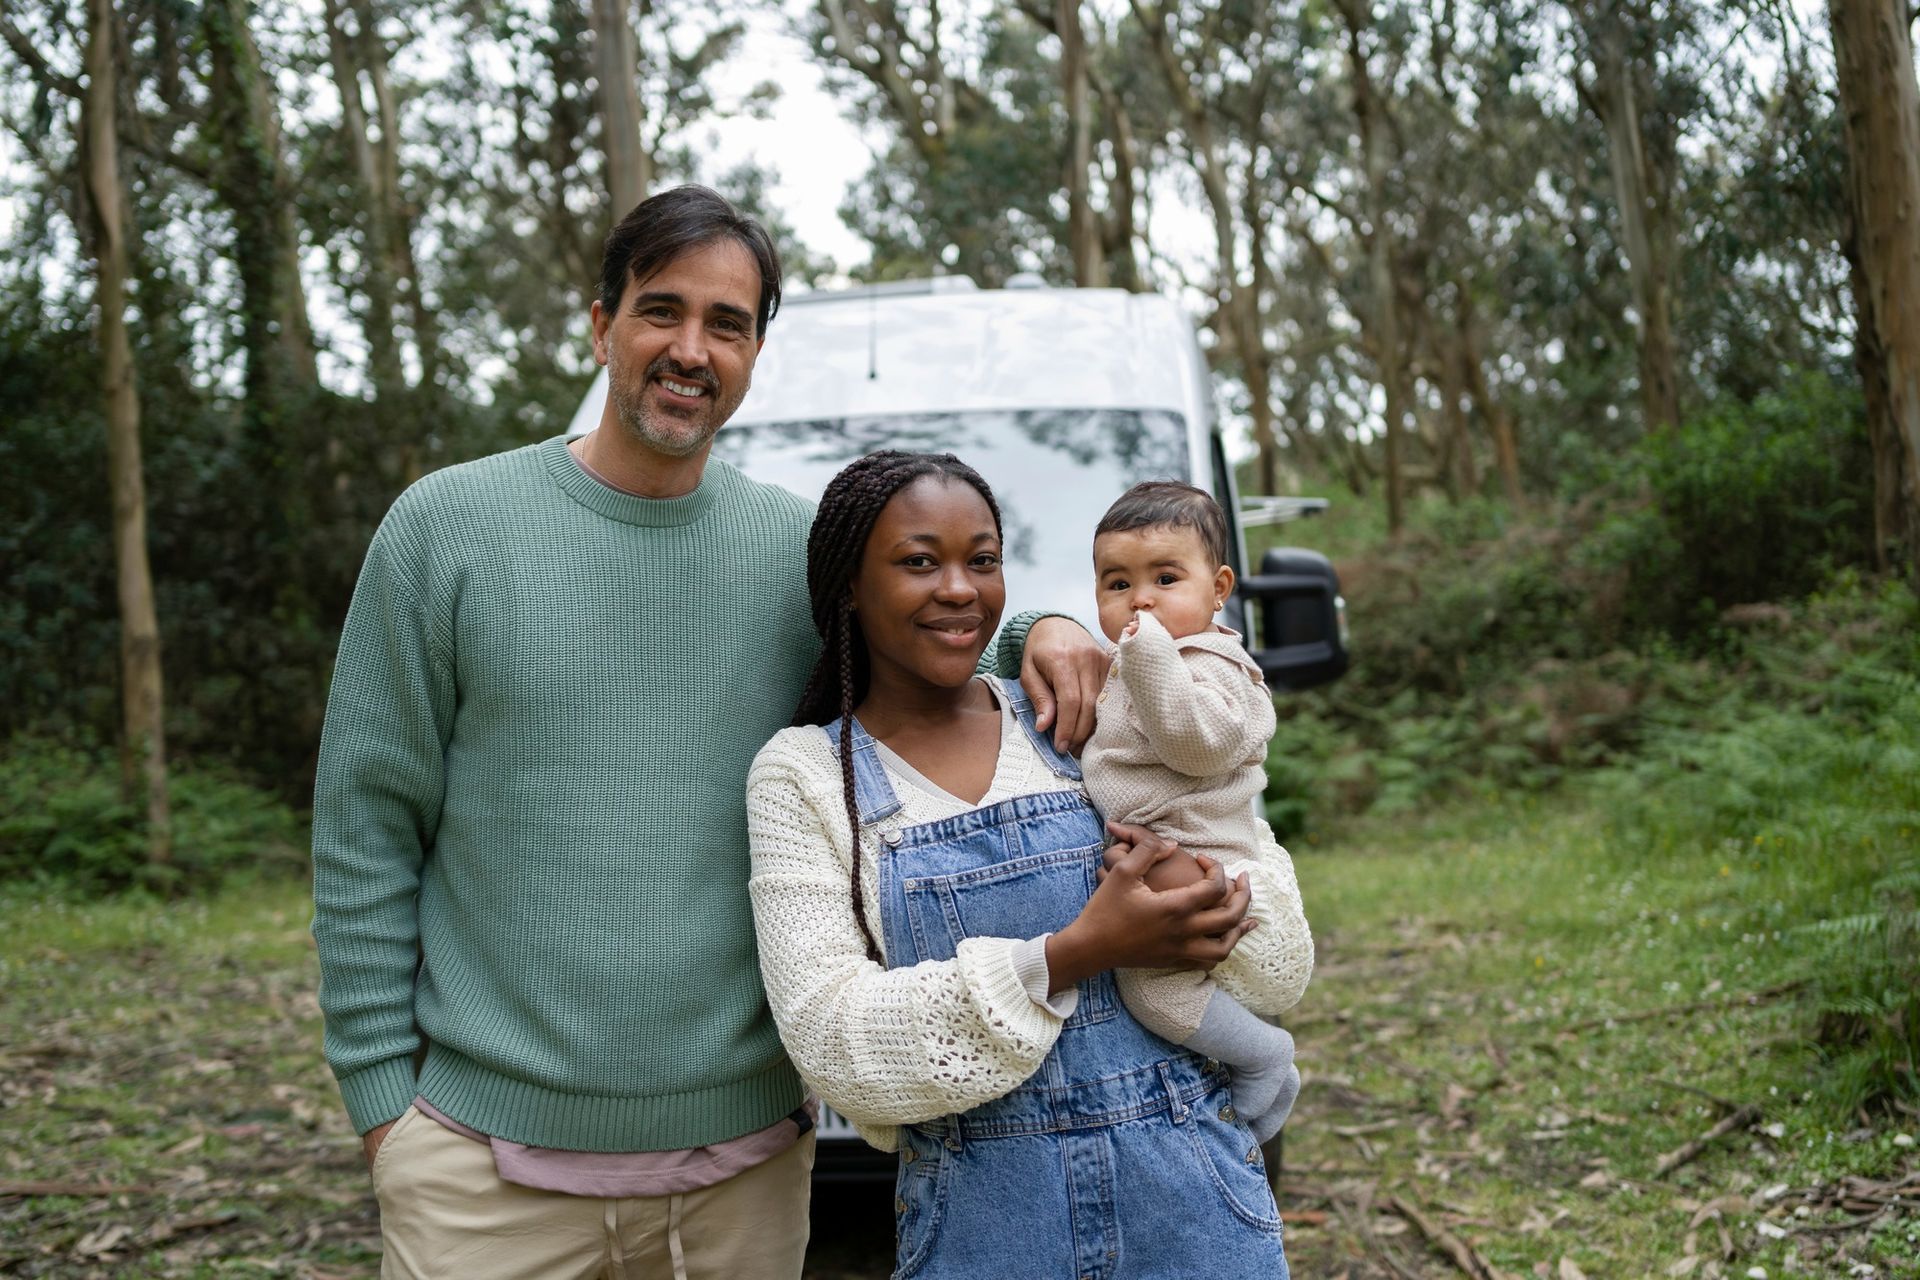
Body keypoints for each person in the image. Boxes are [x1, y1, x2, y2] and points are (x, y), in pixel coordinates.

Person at [309, 186, 1112, 1280]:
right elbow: (365, 826)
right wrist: (381, 1106)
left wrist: (1046, 624)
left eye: (726, 324)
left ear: (754, 351)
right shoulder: (445, 531)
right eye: (661, 310)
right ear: (601, 325)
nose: (691, 349)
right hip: (479, 1175)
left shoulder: (793, 553)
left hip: (741, 1177)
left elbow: (935, 617)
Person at [746, 451, 1311, 1279]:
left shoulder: (1076, 713)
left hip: (1194, 1209)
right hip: (984, 1231)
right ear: (849, 588)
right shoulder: (803, 776)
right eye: (917, 562)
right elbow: (838, 1046)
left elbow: (1282, 965)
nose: (959, 589)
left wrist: (1219, 912)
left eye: (982, 560)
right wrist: (1077, 952)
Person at [1083, 479, 1310, 1144]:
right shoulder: (1139, 662)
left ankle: (1263, 1054)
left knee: (1152, 990)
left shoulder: (1213, 663)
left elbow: (1196, 743)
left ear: (1219, 588)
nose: (1141, 598)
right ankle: (1253, 1069)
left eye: (1165, 577)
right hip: (1169, 851)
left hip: (1205, 859)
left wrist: (1149, 653)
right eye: (1116, 582)